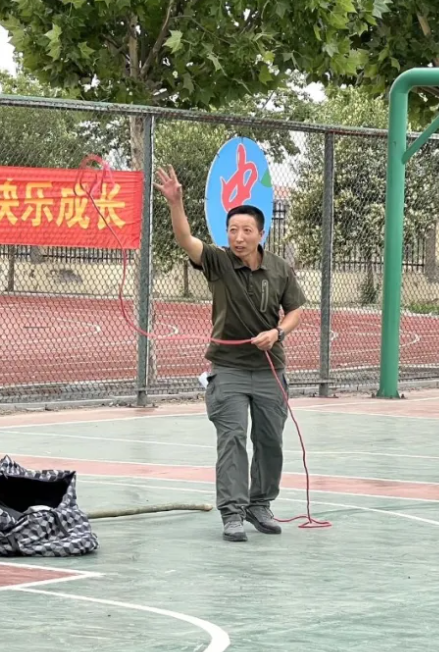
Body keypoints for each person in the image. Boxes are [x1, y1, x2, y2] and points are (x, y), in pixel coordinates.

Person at [153, 165, 307, 542]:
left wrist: (277, 332)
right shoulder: (218, 262)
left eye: (246, 230)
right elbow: (185, 239)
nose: (238, 237)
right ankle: (233, 512)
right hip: (229, 369)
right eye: (233, 230)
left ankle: (260, 504)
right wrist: (175, 203)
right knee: (233, 438)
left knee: (270, 441)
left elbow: (296, 310)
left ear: (261, 234)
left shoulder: (279, 269)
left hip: (270, 369)